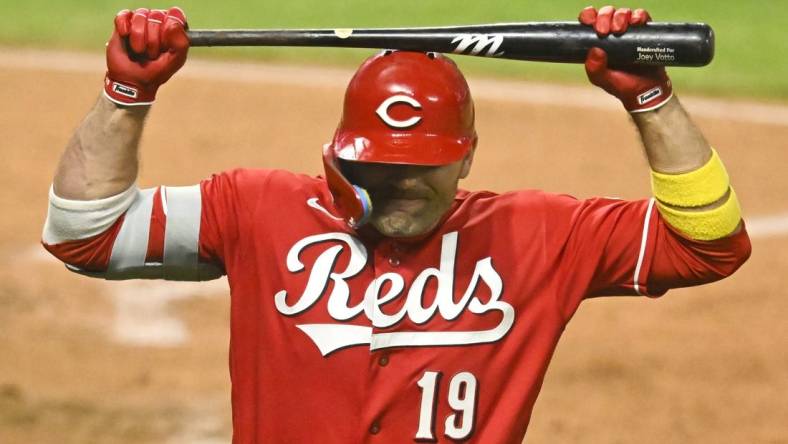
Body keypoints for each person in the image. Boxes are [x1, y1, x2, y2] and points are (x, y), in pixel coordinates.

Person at [42, 5, 751, 443]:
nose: (400, 184)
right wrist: (126, 93)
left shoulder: (539, 235)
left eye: (424, 164)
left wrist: (650, 99)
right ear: (336, 154)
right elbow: (84, 232)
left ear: (468, 158)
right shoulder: (258, 210)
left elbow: (708, 244)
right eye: (377, 165)